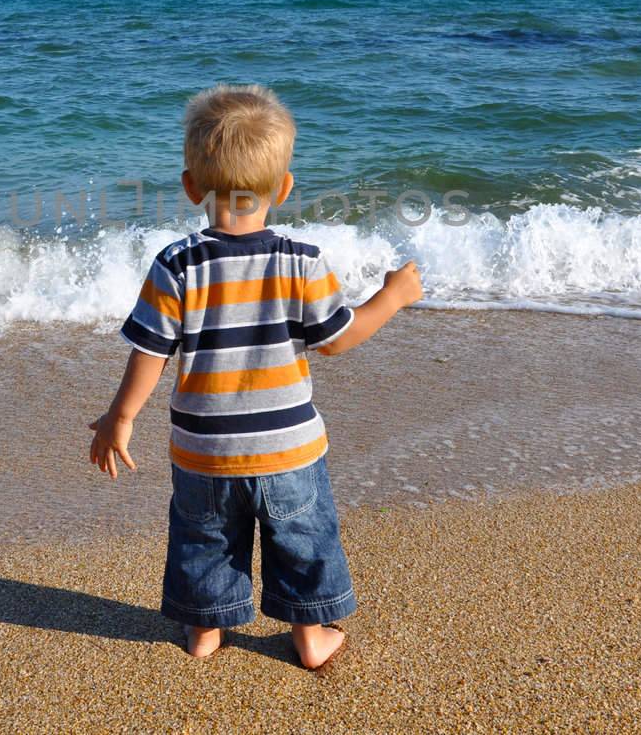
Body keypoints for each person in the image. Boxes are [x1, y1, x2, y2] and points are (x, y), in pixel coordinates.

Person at [88, 83, 422, 670]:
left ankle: (205, 631)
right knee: (303, 541)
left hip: (203, 452)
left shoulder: (177, 263)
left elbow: (150, 351)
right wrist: (390, 298)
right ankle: (312, 635)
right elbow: (337, 339)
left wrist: (120, 419)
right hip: (289, 449)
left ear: (192, 186)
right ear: (285, 188)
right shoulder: (301, 260)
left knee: (205, 540)